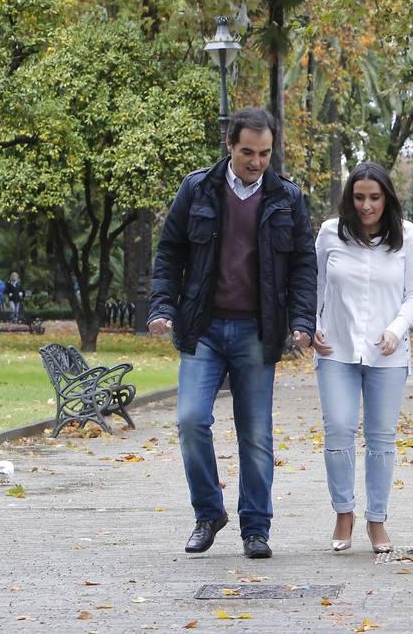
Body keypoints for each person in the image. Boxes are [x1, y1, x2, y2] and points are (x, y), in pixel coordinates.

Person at [148, 107, 317, 560]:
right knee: (189, 420)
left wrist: (302, 322)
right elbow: (169, 253)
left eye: (264, 153)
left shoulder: (287, 198)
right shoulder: (197, 188)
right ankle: (209, 512)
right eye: (248, 152)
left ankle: (256, 529)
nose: (257, 161)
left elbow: (303, 265)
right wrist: (162, 307)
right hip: (202, 327)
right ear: (229, 145)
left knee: (256, 434)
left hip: (257, 333)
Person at [312, 162, 413, 554]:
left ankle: (376, 520)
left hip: (387, 354)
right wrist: (311, 323)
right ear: (349, 198)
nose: (366, 205)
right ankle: (343, 512)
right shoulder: (330, 234)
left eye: (374, 197)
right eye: (359, 197)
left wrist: (396, 329)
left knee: (381, 439)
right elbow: (314, 285)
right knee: (339, 430)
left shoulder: (408, 236)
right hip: (337, 350)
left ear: (387, 198)